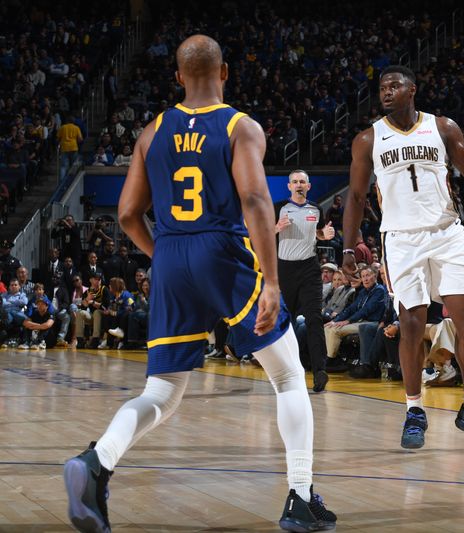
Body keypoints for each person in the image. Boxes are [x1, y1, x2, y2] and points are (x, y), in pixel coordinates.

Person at [62, 35, 336, 533]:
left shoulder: (151, 131)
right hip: (221, 250)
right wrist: (271, 281)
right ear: (225, 72)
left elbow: (126, 214)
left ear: (177, 77)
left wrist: (165, 256)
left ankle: (96, 461)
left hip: (169, 253)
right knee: (288, 374)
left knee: (161, 392)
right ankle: (300, 496)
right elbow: (255, 201)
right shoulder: (239, 125)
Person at [344, 65, 464, 449]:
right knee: (412, 323)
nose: (387, 91)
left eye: (394, 85)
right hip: (400, 239)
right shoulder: (368, 139)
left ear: (412, 89)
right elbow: (355, 197)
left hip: (447, 232)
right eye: (382, 87)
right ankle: (414, 410)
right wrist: (349, 248)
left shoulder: (443, 127)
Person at [275, 169, 336, 392]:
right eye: (295, 182)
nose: (299, 185)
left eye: (302, 182)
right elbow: (262, 232)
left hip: (310, 268)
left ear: (308, 186)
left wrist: (325, 236)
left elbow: (318, 233)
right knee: (285, 322)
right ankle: (287, 370)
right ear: (289, 186)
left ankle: (320, 370)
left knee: (314, 319)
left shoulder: (316, 209)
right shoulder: (279, 208)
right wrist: (276, 228)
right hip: (285, 269)